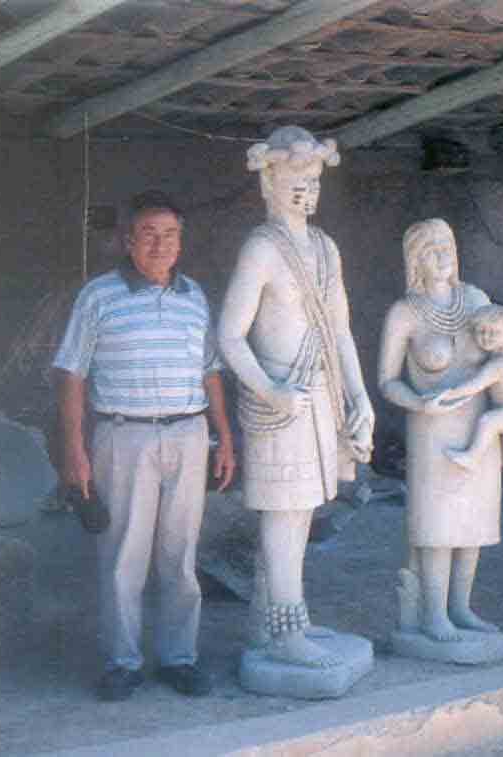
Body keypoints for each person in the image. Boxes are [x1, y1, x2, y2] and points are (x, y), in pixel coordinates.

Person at [53, 191, 235, 701]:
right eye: (149, 234)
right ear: (128, 239)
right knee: (122, 556)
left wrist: (223, 437)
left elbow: (211, 371)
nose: (160, 243)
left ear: (181, 241)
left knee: (180, 557)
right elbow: (71, 373)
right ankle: (122, 662)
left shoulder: (194, 296)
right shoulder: (98, 296)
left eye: (170, 234)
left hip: (188, 433)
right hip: (124, 435)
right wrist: (74, 448)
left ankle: (180, 658)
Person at [218, 126, 374, 668]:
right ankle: (285, 632)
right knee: (283, 517)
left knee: (303, 513)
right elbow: (229, 336)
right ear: (269, 180)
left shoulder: (326, 249)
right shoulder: (261, 248)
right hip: (279, 404)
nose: (305, 187)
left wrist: (360, 396)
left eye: (312, 177)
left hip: (321, 396)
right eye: (294, 178)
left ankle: (279, 621)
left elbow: (341, 331)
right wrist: (271, 389)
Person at [378, 218, 503, 642]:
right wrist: (419, 403)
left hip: (478, 426)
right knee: (436, 523)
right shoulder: (404, 312)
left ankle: (461, 607)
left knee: (473, 522)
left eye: (447, 245)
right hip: (431, 428)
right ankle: (432, 614)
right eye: (431, 248)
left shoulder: (477, 299)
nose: (443, 255)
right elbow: (387, 380)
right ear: (415, 258)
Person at [430, 304, 503, 470]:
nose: (486, 337)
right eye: (480, 332)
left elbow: (473, 386)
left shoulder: (496, 366)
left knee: (489, 421)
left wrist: (447, 395)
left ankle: (472, 457)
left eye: (494, 333)